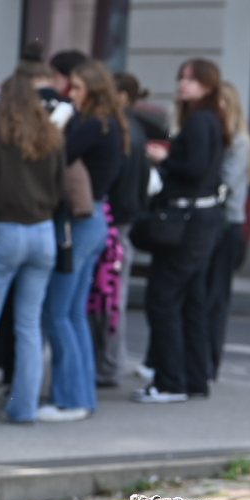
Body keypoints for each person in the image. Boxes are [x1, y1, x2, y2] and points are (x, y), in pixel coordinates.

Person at [0, 74, 68, 424]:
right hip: (43, 231)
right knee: (30, 326)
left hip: (6, 229)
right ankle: (24, 409)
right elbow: (60, 188)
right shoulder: (52, 136)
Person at [40, 59, 125, 422]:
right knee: (73, 313)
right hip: (95, 221)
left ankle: (70, 399)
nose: (69, 94)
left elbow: (55, 157)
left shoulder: (93, 126)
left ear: (91, 88)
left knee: (58, 313)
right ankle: (82, 396)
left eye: (75, 88)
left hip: (79, 223)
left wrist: (56, 124)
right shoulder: (111, 125)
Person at [135, 57, 225, 403]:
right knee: (191, 301)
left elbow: (193, 168)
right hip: (200, 220)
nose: (182, 84)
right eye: (182, 78)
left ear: (207, 85)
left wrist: (164, 159)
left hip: (188, 222)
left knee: (164, 297)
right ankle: (193, 379)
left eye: (192, 79)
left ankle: (171, 381)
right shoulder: (209, 118)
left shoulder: (201, 120)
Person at [92, 71, 152, 386]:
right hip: (124, 220)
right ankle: (109, 364)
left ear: (122, 96)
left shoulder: (120, 128)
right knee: (111, 297)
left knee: (108, 297)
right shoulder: (134, 127)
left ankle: (109, 366)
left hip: (115, 222)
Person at [209, 80, 250, 379]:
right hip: (224, 224)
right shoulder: (230, 139)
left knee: (215, 298)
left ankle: (209, 363)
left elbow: (222, 182)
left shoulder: (238, 142)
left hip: (228, 226)